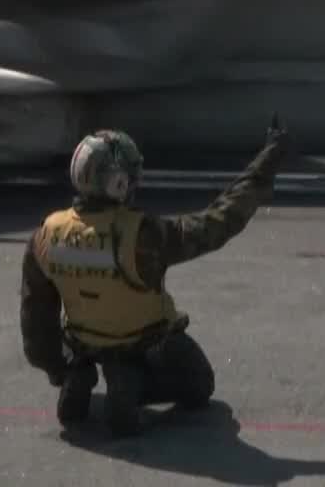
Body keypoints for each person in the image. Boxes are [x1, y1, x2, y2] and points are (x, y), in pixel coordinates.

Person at [20, 116, 287, 436]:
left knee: (75, 344)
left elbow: (35, 319)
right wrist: (269, 160)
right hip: (144, 339)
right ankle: (129, 383)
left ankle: (80, 375)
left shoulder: (47, 233)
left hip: (82, 341)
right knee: (199, 385)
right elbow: (220, 220)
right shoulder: (143, 234)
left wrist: (57, 368)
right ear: (118, 183)